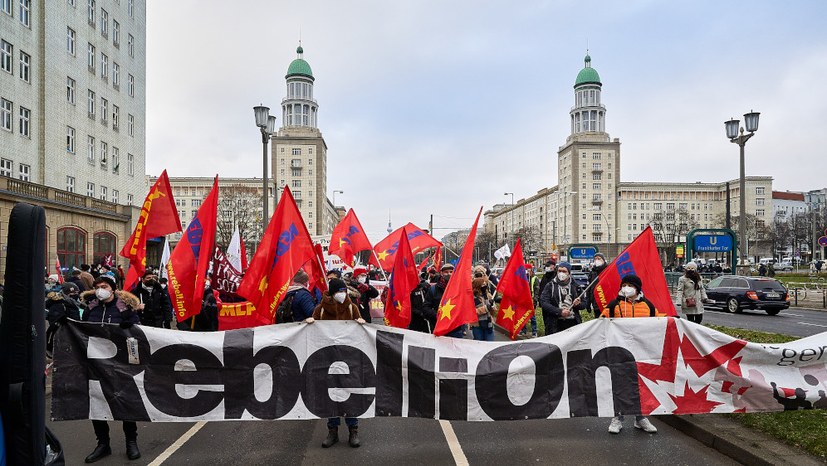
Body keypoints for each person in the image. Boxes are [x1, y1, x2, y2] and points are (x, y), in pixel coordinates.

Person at [80, 275, 142, 462]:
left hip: (120, 362)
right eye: (97, 286)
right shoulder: (91, 308)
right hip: (96, 363)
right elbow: (83, 330)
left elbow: (138, 330)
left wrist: (130, 326)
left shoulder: (125, 308)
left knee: (125, 400)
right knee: (97, 402)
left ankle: (131, 442)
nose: (100, 289)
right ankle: (103, 444)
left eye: (104, 286)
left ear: (113, 289)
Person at [305, 278, 366, 448]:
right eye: (339, 291)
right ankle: (333, 431)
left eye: (344, 290)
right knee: (331, 396)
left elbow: (363, 335)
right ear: (332, 293)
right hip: (328, 360)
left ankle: (353, 430)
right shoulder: (321, 310)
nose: (342, 294)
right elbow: (311, 332)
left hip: (349, 359)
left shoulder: (352, 308)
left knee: (350, 395)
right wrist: (309, 323)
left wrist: (361, 324)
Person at [600, 274, 659, 434]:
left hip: (641, 354)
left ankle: (640, 418)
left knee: (640, 386)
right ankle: (618, 418)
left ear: (637, 288)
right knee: (620, 385)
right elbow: (601, 323)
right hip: (619, 353)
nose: (626, 288)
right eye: (624, 284)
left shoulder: (648, 306)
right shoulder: (614, 305)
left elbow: (658, 323)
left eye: (630, 285)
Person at [539, 262, 585, 335]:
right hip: (555, 324)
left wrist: (578, 304)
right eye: (559, 271)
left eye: (564, 271)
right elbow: (544, 302)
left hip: (572, 323)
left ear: (569, 273)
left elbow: (584, 304)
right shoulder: (550, 286)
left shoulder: (576, 286)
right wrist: (560, 312)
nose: (561, 273)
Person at [45, 282, 84, 358]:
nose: (77, 295)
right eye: (74, 293)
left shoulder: (73, 303)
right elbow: (54, 322)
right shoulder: (59, 304)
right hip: (63, 337)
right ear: (68, 293)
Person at [426, 263, 464, 338]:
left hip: (455, 329)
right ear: (441, 273)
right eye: (446, 272)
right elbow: (426, 307)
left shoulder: (459, 289)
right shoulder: (433, 289)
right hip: (439, 328)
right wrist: (437, 315)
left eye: (451, 272)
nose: (448, 274)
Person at [470, 275, 494, 341]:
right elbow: (471, 312)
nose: (484, 286)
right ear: (478, 286)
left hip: (488, 324)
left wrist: (492, 306)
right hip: (477, 325)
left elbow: (492, 311)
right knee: (479, 342)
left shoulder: (488, 295)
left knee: (489, 343)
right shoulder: (472, 297)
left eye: (485, 284)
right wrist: (486, 308)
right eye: (482, 284)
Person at [585, 253, 609, 318]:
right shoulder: (592, 272)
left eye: (599, 259)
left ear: (603, 260)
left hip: (607, 303)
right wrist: (588, 302)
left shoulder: (608, 270)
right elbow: (589, 288)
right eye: (595, 259)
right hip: (596, 303)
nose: (597, 260)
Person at [521, 266, 539, 338]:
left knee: (532, 317)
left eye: (529, 270)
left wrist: (535, 301)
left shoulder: (535, 278)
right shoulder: (523, 278)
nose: (527, 272)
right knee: (523, 316)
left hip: (531, 301)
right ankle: (523, 331)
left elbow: (536, 291)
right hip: (524, 301)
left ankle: (534, 332)